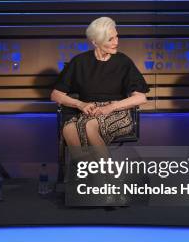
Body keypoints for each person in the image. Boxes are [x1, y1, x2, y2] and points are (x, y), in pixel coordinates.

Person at [51, 17, 149, 147]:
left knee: (89, 126)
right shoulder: (79, 62)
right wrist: (80, 104)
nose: (116, 42)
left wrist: (110, 107)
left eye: (116, 37)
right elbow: (56, 95)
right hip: (88, 111)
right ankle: (85, 166)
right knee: (69, 130)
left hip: (116, 111)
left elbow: (141, 98)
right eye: (110, 39)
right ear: (95, 42)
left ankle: (102, 167)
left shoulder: (123, 62)